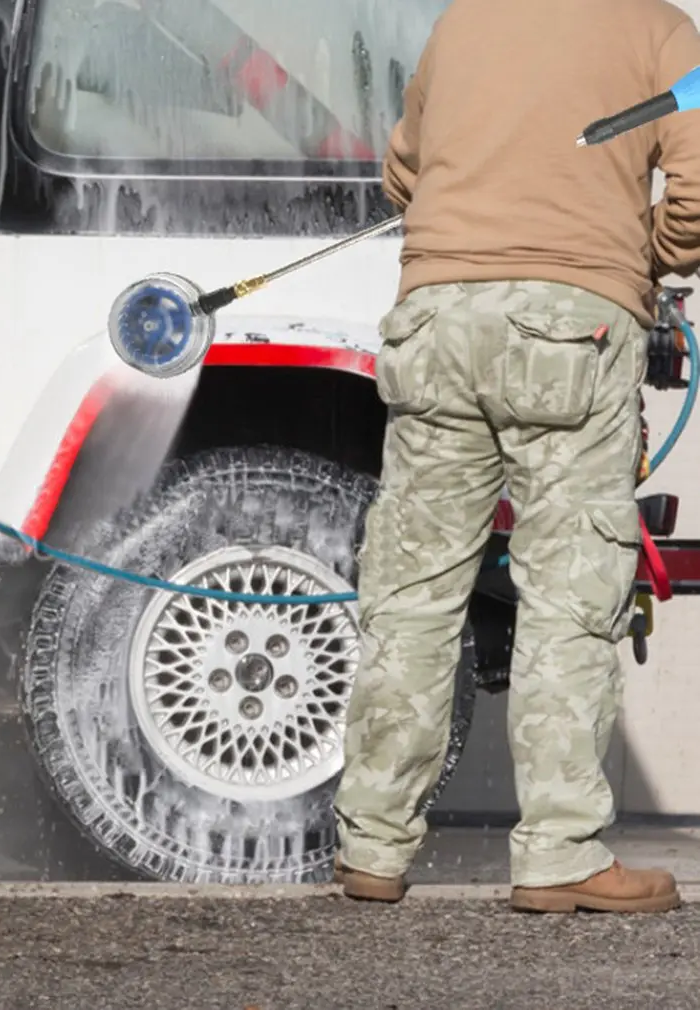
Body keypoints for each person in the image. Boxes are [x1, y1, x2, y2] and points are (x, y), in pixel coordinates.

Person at [333, 0, 700, 913]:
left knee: (411, 593)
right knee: (571, 593)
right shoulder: (661, 33)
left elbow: (401, 173)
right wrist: (639, 263)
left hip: (437, 319)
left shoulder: (462, 22)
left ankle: (372, 846)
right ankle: (561, 855)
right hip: (573, 325)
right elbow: (699, 188)